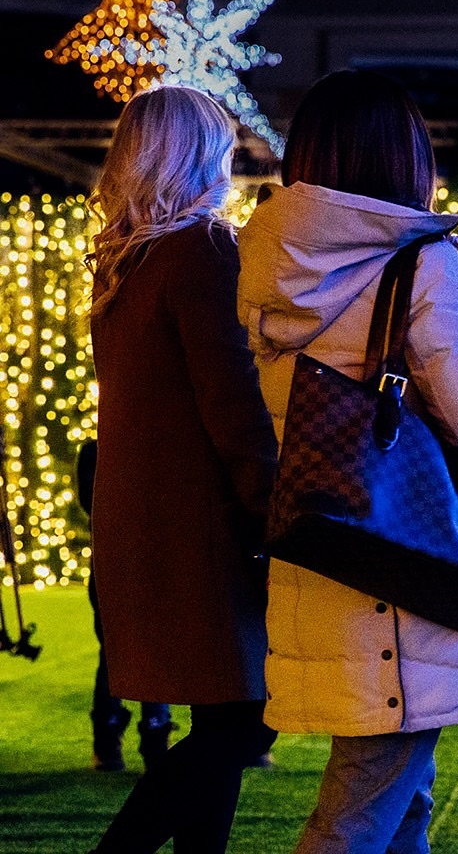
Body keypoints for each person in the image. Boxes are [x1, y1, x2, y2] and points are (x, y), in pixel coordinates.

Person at [236, 68, 458, 854]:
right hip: (404, 577)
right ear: (402, 159)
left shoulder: (266, 257)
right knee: (357, 816)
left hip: (322, 548)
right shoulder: (421, 264)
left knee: (401, 802)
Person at [85, 84, 280, 854]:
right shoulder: (201, 250)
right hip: (203, 525)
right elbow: (230, 400)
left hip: (145, 515)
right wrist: (275, 507)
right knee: (246, 714)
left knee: (223, 715)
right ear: (200, 156)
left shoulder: (122, 261)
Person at [76, 438, 173, 773]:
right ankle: (154, 738)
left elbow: (92, 503)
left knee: (113, 656)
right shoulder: (156, 450)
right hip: (143, 564)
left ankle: (110, 742)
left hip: (113, 566)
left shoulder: (97, 452)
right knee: (150, 653)